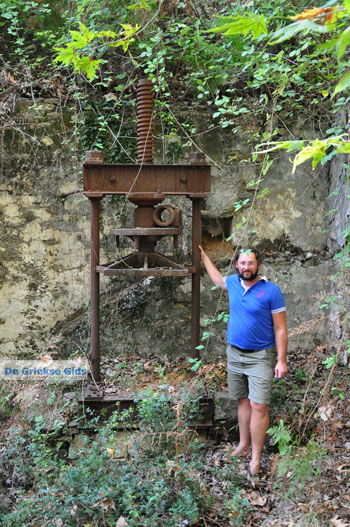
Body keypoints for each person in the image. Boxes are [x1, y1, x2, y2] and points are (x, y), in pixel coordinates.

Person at [199, 245, 288, 476]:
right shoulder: (233, 283)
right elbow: (218, 279)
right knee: (243, 401)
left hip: (260, 356)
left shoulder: (271, 290)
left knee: (259, 405)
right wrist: (203, 257)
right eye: (242, 263)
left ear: (258, 264)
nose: (246, 267)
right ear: (236, 264)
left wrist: (281, 361)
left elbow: (280, 329)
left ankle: (256, 458)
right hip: (235, 354)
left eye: (250, 263)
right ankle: (243, 445)